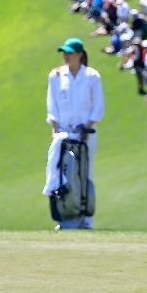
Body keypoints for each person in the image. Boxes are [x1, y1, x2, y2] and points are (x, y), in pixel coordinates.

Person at [46, 38, 105, 229]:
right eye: (64, 52)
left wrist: (87, 127)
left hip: (85, 133)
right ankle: (64, 215)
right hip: (64, 134)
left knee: (84, 173)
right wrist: (55, 129)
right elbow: (52, 105)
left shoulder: (91, 76)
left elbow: (98, 106)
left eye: (70, 52)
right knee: (61, 174)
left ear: (79, 55)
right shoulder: (55, 76)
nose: (66, 56)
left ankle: (86, 217)